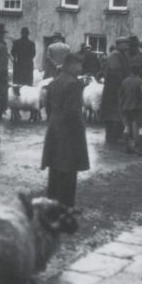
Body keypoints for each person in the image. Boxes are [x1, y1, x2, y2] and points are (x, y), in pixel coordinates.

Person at [41, 53, 89, 207]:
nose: (81, 68)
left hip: (55, 127)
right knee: (69, 169)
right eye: (79, 65)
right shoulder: (73, 84)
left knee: (55, 167)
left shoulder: (55, 81)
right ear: (71, 65)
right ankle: (66, 206)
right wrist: (80, 127)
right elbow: (73, 111)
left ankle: (52, 201)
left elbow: (48, 106)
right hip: (69, 131)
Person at [101, 36, 128, 145]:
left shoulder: (120, 55)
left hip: (116, 88)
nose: (127, 45)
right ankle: (112, 138)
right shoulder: (115, 55)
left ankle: (115, 137)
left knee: (116, 113)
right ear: (119, 44)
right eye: (125, 43)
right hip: (113, 89)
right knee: (113, 113)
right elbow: (115, 71)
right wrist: (123, 83)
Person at [119, 63, 142, 154]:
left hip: (126, 107)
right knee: (141, 127)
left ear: (130, 71)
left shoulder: (124, 81)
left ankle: (126, 147)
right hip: (137, 107)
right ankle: (141, 148)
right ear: (138, 72)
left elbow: (121, 93)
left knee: (127, 126)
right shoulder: (140, 81)